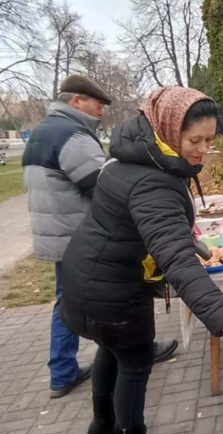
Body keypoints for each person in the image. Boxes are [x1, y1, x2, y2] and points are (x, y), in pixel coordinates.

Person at [61, 87, 223, 434]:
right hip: (114, 291)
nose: (204, 149)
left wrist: (196, 244)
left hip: (85, 277)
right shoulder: (154, 181)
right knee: (135, 361)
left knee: (111, 350)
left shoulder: (134, 156)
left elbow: (150, 228)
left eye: (210, 139)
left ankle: (103, 424)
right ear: (170, 130)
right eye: (195, 140)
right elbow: (174, 259)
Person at [22, 75, 178, 399]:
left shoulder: (43, 131)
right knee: (118, 291)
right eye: (97, 104)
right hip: (80, 234)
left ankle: (62, 370)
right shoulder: (72, 135)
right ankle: (134, 348)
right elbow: (104, 186)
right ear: (76, 101)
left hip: (56, 233)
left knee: (68, 300)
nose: (101, 111)